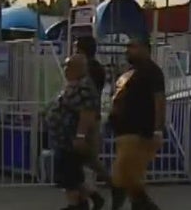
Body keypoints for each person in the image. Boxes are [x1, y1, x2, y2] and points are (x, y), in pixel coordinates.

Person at [108, 36, 166, 210]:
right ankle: (141, 205)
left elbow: (159, 100)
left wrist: (157, 130)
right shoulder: (130, 72)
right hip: (123, 131)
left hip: (139, 132)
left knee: (122, 174)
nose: (128, 50)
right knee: (129, 177)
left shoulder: (152, 71)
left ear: (146, 49)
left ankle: (123, 206)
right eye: (127, 47)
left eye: (133, 46)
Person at [48, 55, 102, 210]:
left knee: (69, 176)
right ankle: (85, 201)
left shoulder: (83, 87)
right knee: (71, 175)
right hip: (64, 140)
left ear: (79, 68)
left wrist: (80, 136)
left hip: (71, 140)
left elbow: (87, 113)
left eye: (68, 66)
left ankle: (76, 204)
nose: (65, 69)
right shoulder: (75, 85)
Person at [74, 36, 111, 197]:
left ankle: (110, 185)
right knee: (89, 158)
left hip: (88, 117)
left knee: (87, 157)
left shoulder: (88, 70)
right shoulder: (97, 68)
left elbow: (86, 97)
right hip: (92, 116)